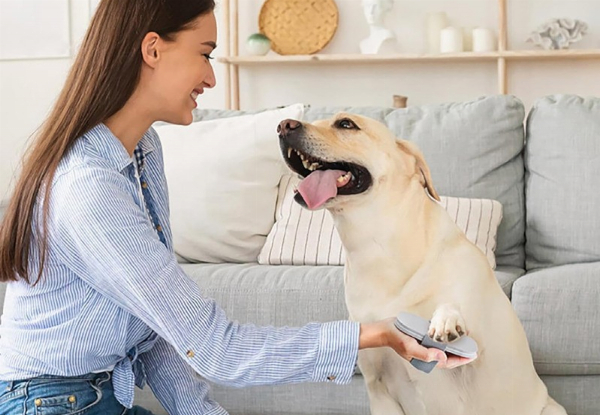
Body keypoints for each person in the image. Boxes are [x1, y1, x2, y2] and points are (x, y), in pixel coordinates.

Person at [0, 1, 474, 414]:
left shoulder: (143, 152)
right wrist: (375, 333)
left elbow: (159, 337)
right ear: (152, 49)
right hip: (48, 404)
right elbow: (217, 349)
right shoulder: (89, 189)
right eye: (205, 54)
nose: (210, 76)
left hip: (100, 398)